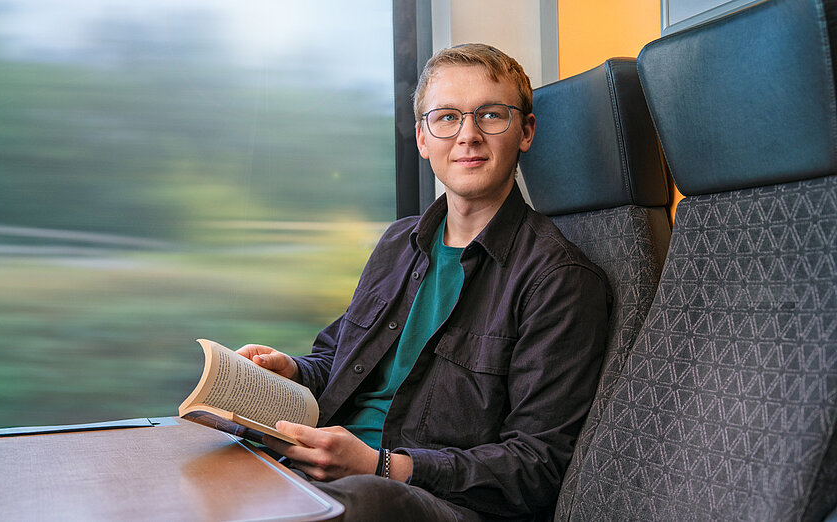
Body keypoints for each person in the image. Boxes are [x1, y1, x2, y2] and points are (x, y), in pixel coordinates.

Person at [236, 43, 610, 521]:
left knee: (368, 500)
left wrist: (380, 466)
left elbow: (536, 465)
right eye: (447, 117)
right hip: (323, 468)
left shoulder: (559, 281)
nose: (468, 136)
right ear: (422, 138)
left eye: (491, 115)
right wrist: (290, 370)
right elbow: (338, 361)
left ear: (526, 132)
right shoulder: (398, 242)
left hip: (438, 501)